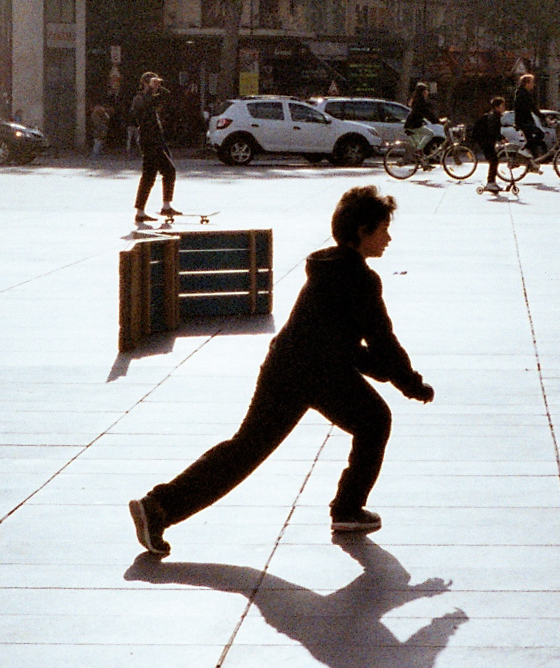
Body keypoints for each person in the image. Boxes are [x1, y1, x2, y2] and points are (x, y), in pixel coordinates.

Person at [128, 186, 434, 557]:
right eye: (383, 229)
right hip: (317, 373)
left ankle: (158, 507)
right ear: (361, 231)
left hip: (288, 366)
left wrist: (392, 373)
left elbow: (343, 342)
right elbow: (381, 340)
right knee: (374, 421)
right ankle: (347, 510)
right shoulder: (359, 279)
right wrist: (411, 384)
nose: (388, 238)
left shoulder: (328, 268)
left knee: (246, 448)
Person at [129, 72, 177, 223]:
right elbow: (144, 107)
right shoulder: (139, 98)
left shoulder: (152, 97)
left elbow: (167, 97)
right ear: (144, 83)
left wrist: (158, 87)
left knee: (169, 171)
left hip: (157, 140)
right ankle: (140, 212)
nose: (156, 86)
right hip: (148, 140)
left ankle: (166, 206)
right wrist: (149, 89)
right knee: (149, 175)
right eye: (152, 83)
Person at [470, 96, 506, 192]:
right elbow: (493, 130)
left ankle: (492, 182)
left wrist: (501, 137)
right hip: (485, 142)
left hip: (487, 141)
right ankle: (490, 182)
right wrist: (500, 138)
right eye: (502, 106)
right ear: (496, 107)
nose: (504, 108)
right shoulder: (493, 117)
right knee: (494, 161)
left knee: (494, 161)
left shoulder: (495, 116)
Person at [511, 72, 546, 158]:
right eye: (532, 82)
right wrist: (544, 118)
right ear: (526, 84)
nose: (533, 84)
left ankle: (532, 162)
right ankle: (524, 150)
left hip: (525, 121)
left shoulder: (523, 93)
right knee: (540, 134)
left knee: (532, 144)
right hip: (524, 122)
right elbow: (533, 108)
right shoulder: (523, 94)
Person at [403, 82, 438, 154]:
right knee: (430, 133)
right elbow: (427, 113)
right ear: (422, 92)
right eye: (426, 90)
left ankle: (419, 157)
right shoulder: (421, 103)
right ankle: (418, 150)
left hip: (410, 125)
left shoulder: (416, 101)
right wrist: (437, 121)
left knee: (417, 145)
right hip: (414, 126)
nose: (427, 92)